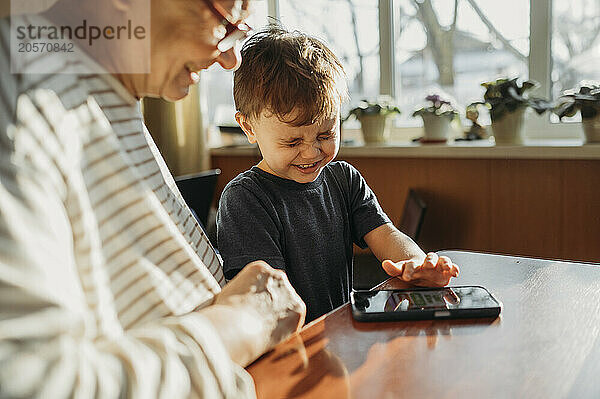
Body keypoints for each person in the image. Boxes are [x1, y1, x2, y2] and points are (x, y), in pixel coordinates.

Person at [0, 1, 305, 398]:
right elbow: (34, 382)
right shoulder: (19, 89)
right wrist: (239, 323)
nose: (231, 58)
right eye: (226, 22)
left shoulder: (100, 89)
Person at [217, 26, 460, 322]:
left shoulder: (343, 179)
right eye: (292, 141)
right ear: (249, 127)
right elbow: (266, 300)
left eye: (326, 134)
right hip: (288, 347)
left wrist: (417, 264)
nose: (311, 152)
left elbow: (387, 236)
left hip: (339, 334)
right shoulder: (244, 199)